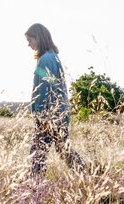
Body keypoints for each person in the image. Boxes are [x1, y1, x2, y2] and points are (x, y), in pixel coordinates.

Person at [25, 23, 86, 176]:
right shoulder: (52, 57)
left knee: (37, 152)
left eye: (30, 40)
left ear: (38, 38)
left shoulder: (46, 59)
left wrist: (39, 113)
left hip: (49, 114)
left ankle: (35, 187)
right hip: (59, 113)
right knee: (63, 149)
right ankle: (86, 176)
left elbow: (45, 89)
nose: (29, 44)